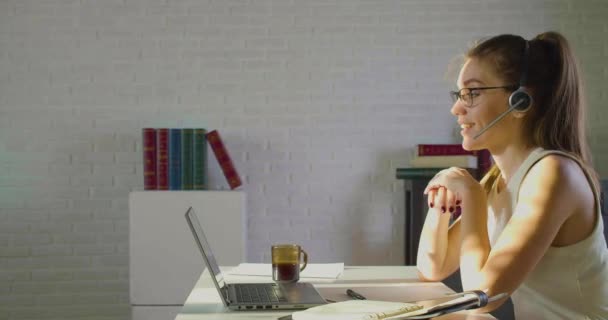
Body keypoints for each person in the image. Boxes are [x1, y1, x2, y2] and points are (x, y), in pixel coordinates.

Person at [416, 31, 608, 319]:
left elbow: (481, 296)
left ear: (520, 102)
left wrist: (471, 195)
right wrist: (440, 206)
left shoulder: (554, 174)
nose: (456, 108)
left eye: (473, 93)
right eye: (459, 94)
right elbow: (433, 267)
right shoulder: (497, 180)